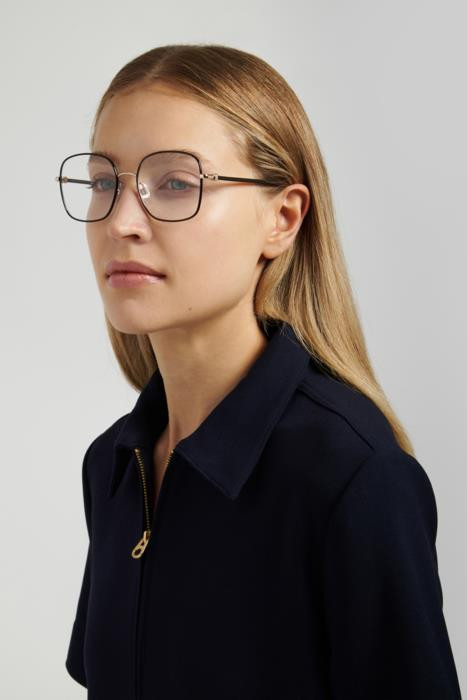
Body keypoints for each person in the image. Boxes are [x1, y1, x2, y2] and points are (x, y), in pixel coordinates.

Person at [57, 44, 463, 699]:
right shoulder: (112, 465)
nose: (121, 222)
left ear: (282, 218)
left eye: (175, 183)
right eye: (105, 182)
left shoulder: (351, 476)